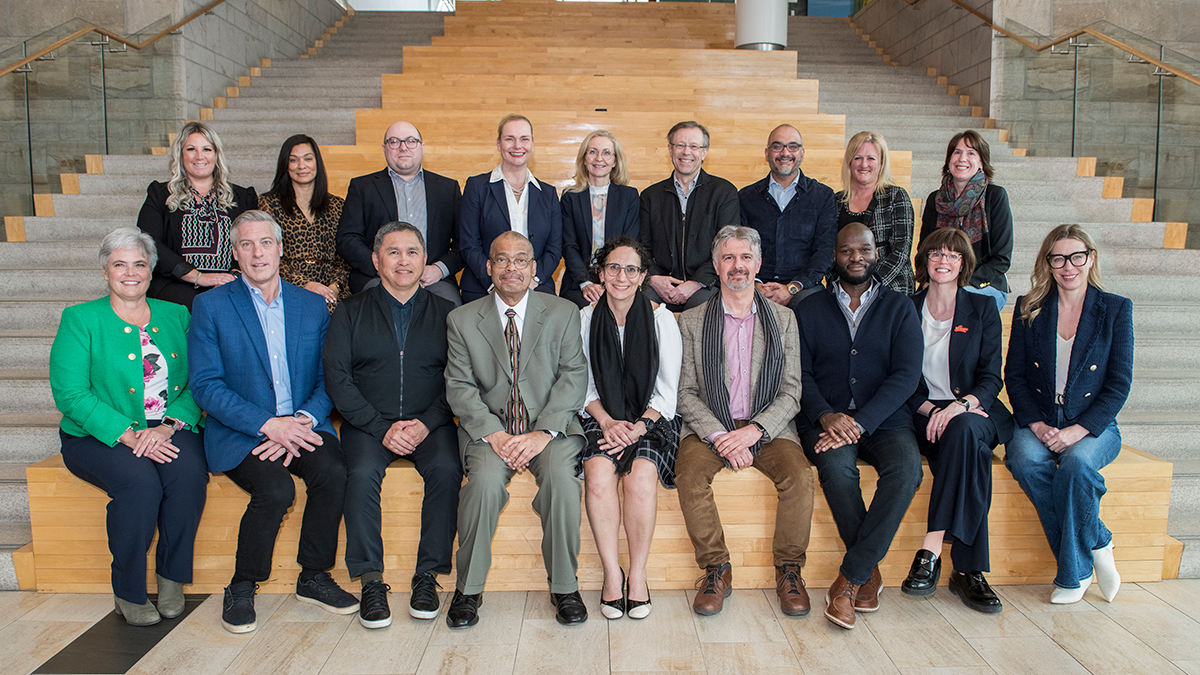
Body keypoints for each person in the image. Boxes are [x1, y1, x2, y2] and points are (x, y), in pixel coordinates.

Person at [189, 210, 358, 634]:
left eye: (265, 243)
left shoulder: (312, 304)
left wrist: (300, 420)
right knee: (276, 489)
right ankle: (242, 584)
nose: (257, 252)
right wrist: (269, 425)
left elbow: (329, 378)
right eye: (246, 244)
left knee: (335, 471)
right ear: (234, 253)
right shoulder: (210, 306)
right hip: (242, 431)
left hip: (303, 423)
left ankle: (314, 576)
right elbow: (206, 386)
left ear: (281, 249)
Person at [48, 227, 208, 627]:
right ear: (105, 271)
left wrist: (170, 426)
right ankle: (129, 589)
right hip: (99, 434)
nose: (130, 272)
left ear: (152, 270)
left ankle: (171, 577)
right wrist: (128, 433)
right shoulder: (80, 319)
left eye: (139, 264)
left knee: (188, 477)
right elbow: (70, 393)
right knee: (140, 484)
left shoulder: (177, 314)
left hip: (168, 427)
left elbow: (198, 381)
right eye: (120, 264)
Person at [444, 231, 589, 628]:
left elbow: (573, 376)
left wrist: (543, 433)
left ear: (535, 268)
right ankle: (468, 590)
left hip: (550, 430)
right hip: (490, 434)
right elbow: (459, 386)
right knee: (484, 485)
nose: (512, 268)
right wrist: (495, 434)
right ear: (488, 267)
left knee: (562, 480)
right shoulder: (461, 319)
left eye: (521, 260)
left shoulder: (562, 312)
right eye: (502, 260)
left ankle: (565, 586)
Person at [323, 222, 463, 628]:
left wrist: (428, 422)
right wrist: (377, 425)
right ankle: (370, 580)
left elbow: (458, 377)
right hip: (368, 424)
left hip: (431, 423)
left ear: (424, 260)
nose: (404, 261)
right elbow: (337, 376)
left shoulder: (447, 313)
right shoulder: (350, 310)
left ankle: (427, 576)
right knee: (360, 472)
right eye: (394, 252)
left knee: (447, 469)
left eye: (412, 252)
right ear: (376, 259)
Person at [675, 226, 812, 618]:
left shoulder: (784, 319)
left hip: (768, 426)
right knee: (689, 475)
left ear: (759, 263)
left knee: (800, 477)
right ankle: (716, 568)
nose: (738, 266)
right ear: (716, 265)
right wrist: (721, 436)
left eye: (746, 257)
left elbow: (792, 391)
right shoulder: (691, 321)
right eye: (729, 258)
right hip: (709, 426)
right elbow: (684, 393)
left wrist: (753, 431)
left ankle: (789, 570)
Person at [795, 222, 924, 630]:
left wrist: (862, 421)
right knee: (835, 469)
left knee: (908, 471)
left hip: (884, 420)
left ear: (876, 253)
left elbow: (906, 375)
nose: (856, 258)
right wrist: (826, 415)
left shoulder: (900, 307)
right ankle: (867, 571)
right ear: (834, 256)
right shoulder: (809, 308)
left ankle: (851, 576)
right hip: (826, 418)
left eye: (864, 250)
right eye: (847, 251)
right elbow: (799, 374)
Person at [1004, 224, 1133, 605]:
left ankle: (1072, 576)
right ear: (1048, 263)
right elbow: (1014, 374)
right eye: (1058, 258)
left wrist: (1077, 431)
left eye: (1077, 256)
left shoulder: (1114, 308)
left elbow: (1119, 384)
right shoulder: (1030, 306)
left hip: (1093, 424)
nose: (1068, 266)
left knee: (1076, 468)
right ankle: (1098, 541)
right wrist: (1038, 424)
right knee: (1025, 461)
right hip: (1041, 418)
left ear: (1090, 259)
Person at [901, 227, 1013, 614]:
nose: (943, 261)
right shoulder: (905, 309)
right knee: (973, 455)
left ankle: (930, 550)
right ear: (924, 261)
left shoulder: (982, 309)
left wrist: (958, 406)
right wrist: (932, 409)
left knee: (964, 431)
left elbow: (991, 377)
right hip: (921, 413)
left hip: (973, 410)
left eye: (952, 255)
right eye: (936, 254)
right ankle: (970, 571)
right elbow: (898, 377)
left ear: (963, 264)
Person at [578, 237, 682, 620]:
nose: (621, 276)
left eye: (631, 269)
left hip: (651, 420)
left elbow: (667, 393)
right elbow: (582, 385)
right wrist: (606, 421)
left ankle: (637, 576)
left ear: (642, 277)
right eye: (613, 268)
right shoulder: (586, 319)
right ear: (601, 274)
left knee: (640, 477)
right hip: (599, 417)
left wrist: (637, 428)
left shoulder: (660, 319)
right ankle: (611, 574)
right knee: (598, 472)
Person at [337, 120, 464, 303]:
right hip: (378, 277)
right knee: (374, 310)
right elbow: (347, 238)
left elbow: (463, 242)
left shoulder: (447, 188)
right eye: (394, 141)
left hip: (432, 279)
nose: (403, 147)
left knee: (451, 314)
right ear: (384, 148)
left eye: (411, 141)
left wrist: (438, 270)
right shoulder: (362, 187)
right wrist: (381, 267)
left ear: (422, 147)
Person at [136, 121, 257, 310]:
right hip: (175, 283)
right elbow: (149, 242)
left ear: (216, 155)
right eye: (191, 149)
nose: (199, 156)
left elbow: (251, 241)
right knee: (199, 305)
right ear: (180, 155)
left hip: (228, 281)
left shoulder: (243, 197)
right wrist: (198, 277)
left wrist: (232, 276)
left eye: (207, 149)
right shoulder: (160, 194)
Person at [458, 114, 562, 304]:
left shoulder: (548, 193)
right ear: (499, 144)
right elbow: (468, 244)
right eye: (509, 139)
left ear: (532, 144)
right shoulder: (476, 187)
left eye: (524, 139)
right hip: (484, 286)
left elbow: (554, 248)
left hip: (536, 287)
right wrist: (495, 283)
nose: (517, 146)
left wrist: (533, 280)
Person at [639, 121, 740, 312]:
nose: (686, 152)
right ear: (670, 149)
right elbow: (642, 247)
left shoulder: (724, 193)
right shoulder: (650, 196)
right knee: (641, 306)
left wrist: (696, 282)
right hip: (661, 282)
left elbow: (728, 248)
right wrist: (653, 278)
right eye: (680, 145)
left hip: (707, 283)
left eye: (694, 146)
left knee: (699, 311)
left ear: (704, 152)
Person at [740, 124, 836, 308]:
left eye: (793, 146)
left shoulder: (823, 196)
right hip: (756, 284)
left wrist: (793, 287)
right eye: (777, 146)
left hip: (804, 287)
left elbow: (824, 252)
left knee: (810, 306)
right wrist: (756, 284)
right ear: (767, 153)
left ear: (802, 153)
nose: (785, 152)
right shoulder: (745, 197)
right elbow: (741, 248)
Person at [921, 130, 1014, 310]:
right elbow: (924, 250)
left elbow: (1001, 258)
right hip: (940, 281)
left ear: (981, 163)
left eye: (971, 153)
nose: (962, 158)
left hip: (984, 284)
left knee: (960, 305)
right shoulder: (935, 200)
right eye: (957, 152)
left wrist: (960, 286)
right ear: (949, 161)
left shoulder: (996, 196)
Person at [259, 134, 350, 311]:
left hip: (330, 289)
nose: (302, 166)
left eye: (308, 159)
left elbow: (344, 256)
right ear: (285, 165)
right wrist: (304, 285)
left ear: (318, 163)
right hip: (286, 287)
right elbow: (267, 253)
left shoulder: (337, 205)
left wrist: (334, 287)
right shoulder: (269, 204)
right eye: (293, 160)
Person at [560, 130, 640, 309]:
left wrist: (610, 282)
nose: (599, 158)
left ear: (615, 161)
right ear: (584, 158)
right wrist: (585, 283)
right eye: (592, 152)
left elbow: (629, 245)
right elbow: (569, 245)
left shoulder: (629, 196)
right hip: (578, 282)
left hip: (619, 279)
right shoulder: (570, 197)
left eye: (606, 153)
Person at [835, 131, 915, 295]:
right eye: (858, 158)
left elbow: (901, 251)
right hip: (845, 287)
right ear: (849, 162)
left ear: (881, 163)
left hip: (890, 285)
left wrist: (871, 285)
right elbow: (829, 250)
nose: (864, 164)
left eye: (871, 158)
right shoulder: (836, 201)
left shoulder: (896, 196)